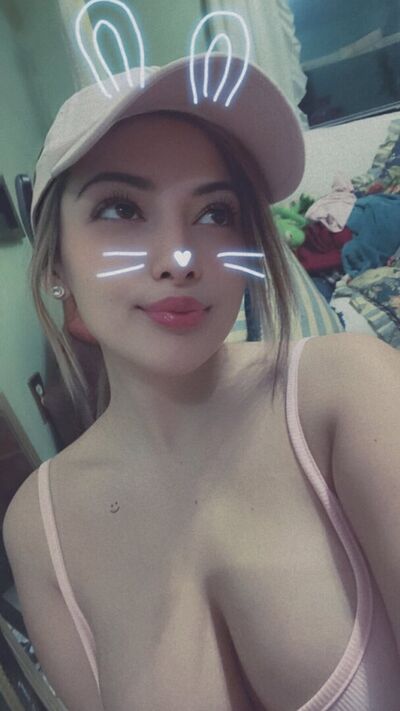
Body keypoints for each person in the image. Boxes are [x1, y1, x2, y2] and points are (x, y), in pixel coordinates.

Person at [3, 53, 400, 711]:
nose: (180, 258)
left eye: (216, 213)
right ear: (55, 263)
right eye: (121, 207)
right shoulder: (38, 525)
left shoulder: (348, 391)